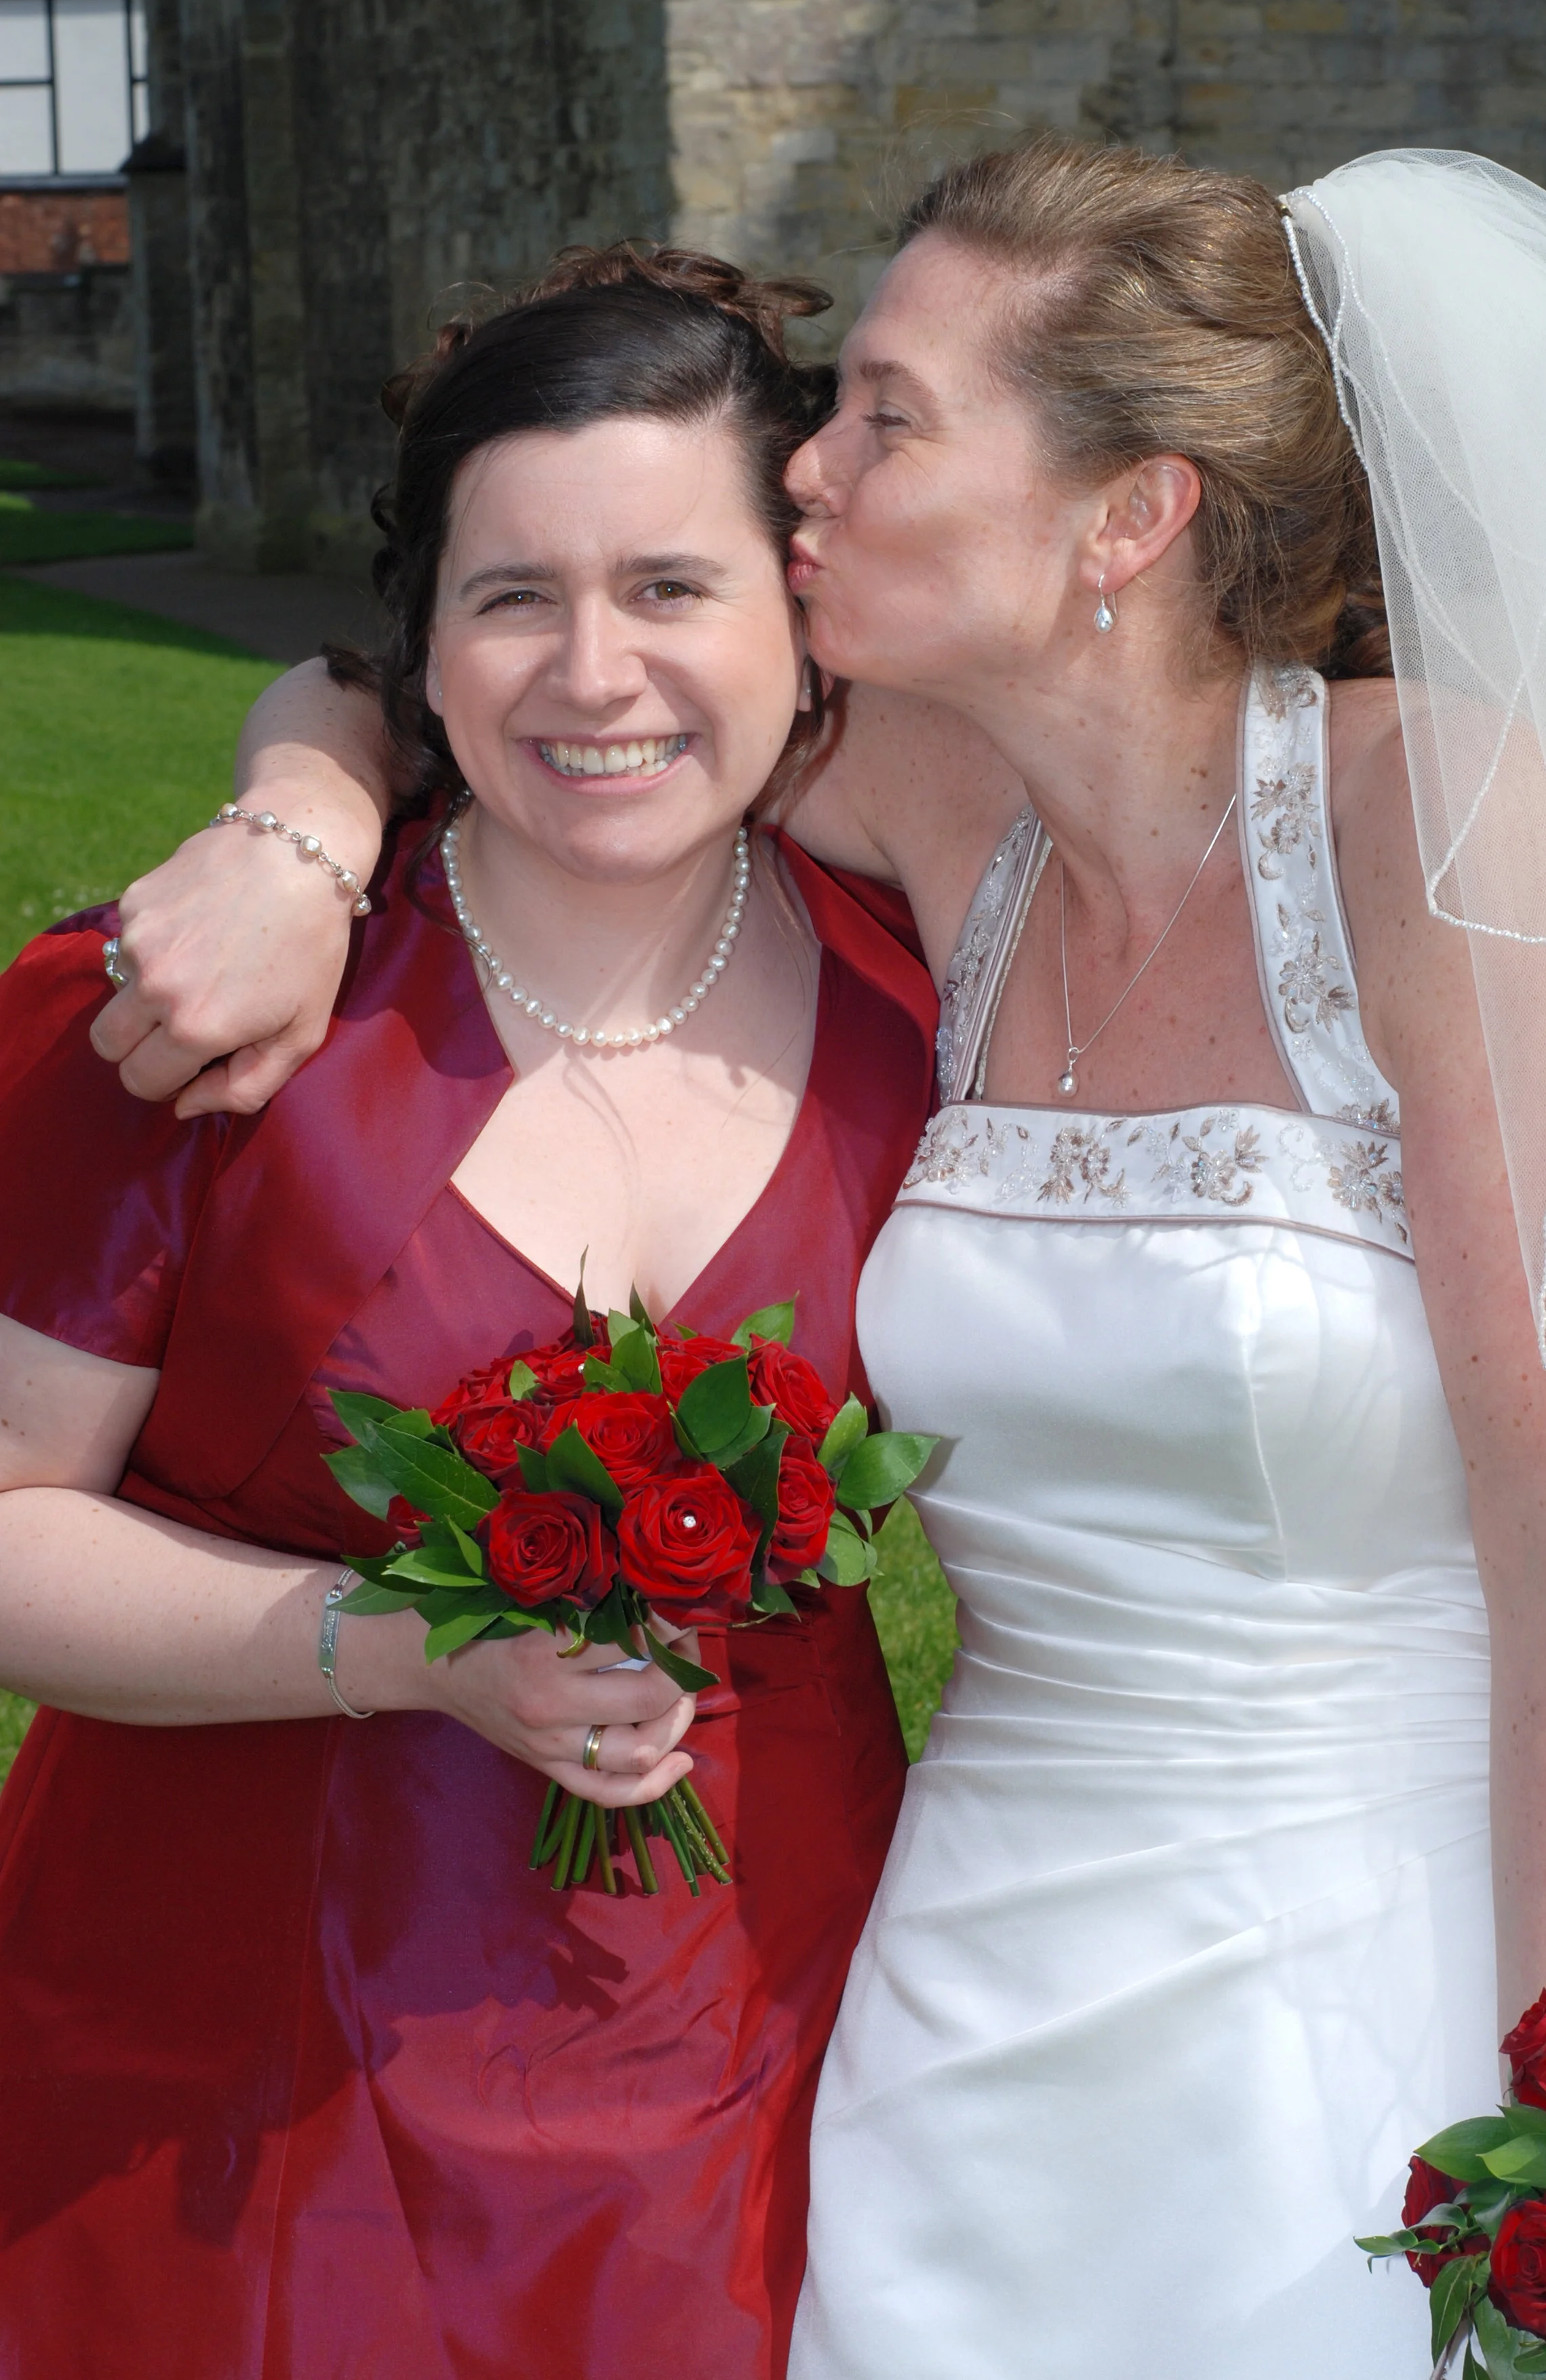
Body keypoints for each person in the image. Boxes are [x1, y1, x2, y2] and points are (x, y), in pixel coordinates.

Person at [83, 142, 1546, 2377]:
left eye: (884, 421)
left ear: (1127, 515)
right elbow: (492, 679)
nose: (804, 470)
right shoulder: (933, 805)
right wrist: (300, 822)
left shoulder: (1432, 827)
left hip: (1373, 1957)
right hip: (964, 1993)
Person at [0, 248, 938, 2380]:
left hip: (768, 2042)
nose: (594, 672)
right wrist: (400, 1648)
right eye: (514, 594)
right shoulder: (187, 1017)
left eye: (672, 587)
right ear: (416, 639)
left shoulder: (934, 1008)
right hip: (226, 2081)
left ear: (802, 615)